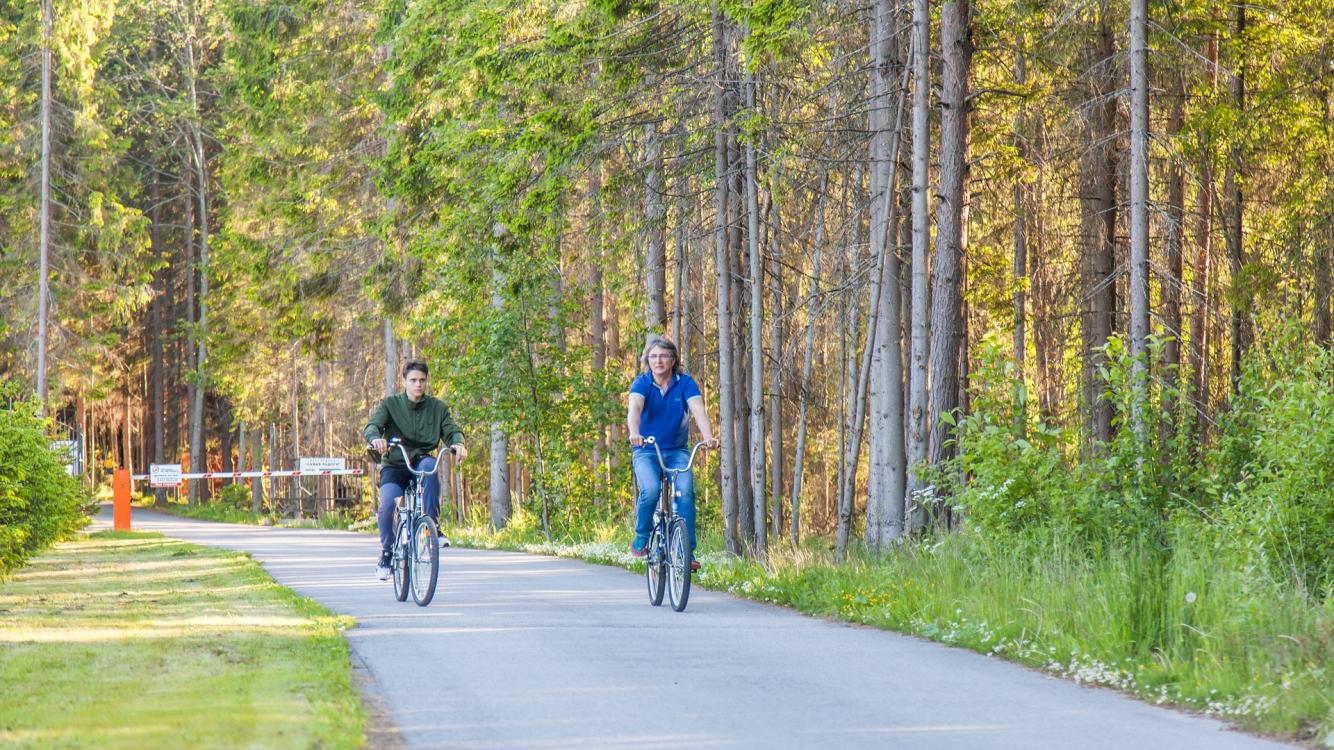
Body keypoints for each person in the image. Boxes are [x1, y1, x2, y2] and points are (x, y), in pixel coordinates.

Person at [364, 360, 468, 580]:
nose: (418, 385)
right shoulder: (390, 405)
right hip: (394, 464)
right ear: (404, 382)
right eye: (413, 380)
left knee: (431, 466)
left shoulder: (437, 407)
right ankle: (387, 553)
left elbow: (451, 430)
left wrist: (458, 443)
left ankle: (433, 526)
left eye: (422, 380)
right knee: (387, 506)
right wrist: (376, 439)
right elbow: (372, 426)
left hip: (420, 462)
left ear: (426, 381)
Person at [627, 337, 719, 571]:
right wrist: (634, 433)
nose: (658, 361)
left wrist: (709, 437)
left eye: (664, 356)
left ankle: (686, 553)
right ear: (647, 360)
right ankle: (642, 535)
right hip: (646, 450)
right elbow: (634, 409)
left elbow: (698, 409)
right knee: (650, 489)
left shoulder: (685, 383)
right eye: (654, 356)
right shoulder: (642, 383)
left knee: (686, 493)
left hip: (677, 451)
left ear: (673, 359)